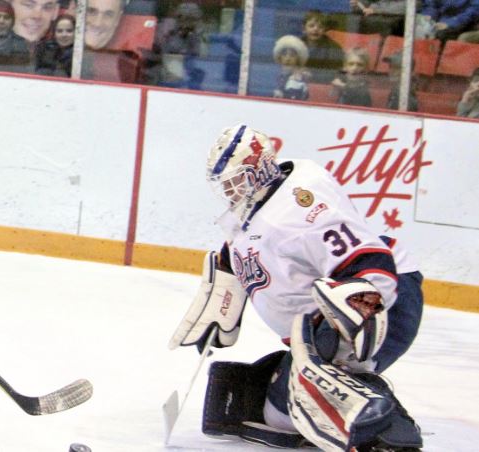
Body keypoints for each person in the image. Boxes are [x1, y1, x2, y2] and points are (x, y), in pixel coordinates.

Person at [169, 124, 424, 451]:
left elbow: (370, 261)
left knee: (312, 399)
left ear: (259, 170)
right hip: (321, 324)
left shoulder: (299, 209)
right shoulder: (255, 205)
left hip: (384, 303)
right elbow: (242, 252)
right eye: (225, 185)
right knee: (276, 414)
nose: (230, 192)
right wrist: (221, 297)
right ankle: (326, 387)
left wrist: (357, 314)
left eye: (236, 181)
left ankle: (386, 428)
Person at [143, 1, 208, 89]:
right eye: (184, 18)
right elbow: (150, 57)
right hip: (162, 82)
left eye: (192, 19)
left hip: (188, 83)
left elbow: (200, 56)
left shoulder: (196, 36)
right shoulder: (164, 32)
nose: (187, 23)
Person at [301, 10, 345, 83]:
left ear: (324, 30)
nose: (316, 29)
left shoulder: (333, 47)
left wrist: (313, 76)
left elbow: (336, 73)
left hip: (324, 84)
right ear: (303, 29)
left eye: (320, 27)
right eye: (311, 26)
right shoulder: (297, 44)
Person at [272, 34, 310, 101]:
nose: (288, 58)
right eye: (284, 54)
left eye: (292, 55)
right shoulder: (274, 74)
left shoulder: (301, 77)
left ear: (298, 59)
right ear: (279, 57)